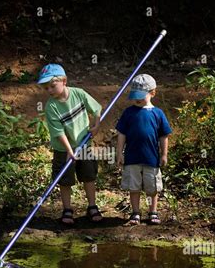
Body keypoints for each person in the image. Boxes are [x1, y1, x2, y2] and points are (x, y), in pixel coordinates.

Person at [37, 64, 103, 225]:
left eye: (52, 86)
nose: (50, 91)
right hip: (63, 149)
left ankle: (92, 206)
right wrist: (69, 150)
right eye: (46, 88)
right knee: (65, 180)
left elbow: (96, 109)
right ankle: (67, 209)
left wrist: (96, 124)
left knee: (89, 176)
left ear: (64, 81)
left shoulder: (79, 94)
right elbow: (58, 132)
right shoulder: (51, 107)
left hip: (84, 145)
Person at [116, 74, 172, 225]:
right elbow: (121, 134)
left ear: (152, 93)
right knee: (133, 187)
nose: (137, 99)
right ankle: (135, 213)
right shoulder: (128, 113)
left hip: (151, 158)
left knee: (152, 187)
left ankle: (153, 211)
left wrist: (164, 154)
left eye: (141, 96)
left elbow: (163, 136)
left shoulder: (157, 113)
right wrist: (119, 153)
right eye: (135, 96)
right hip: (132, 158)